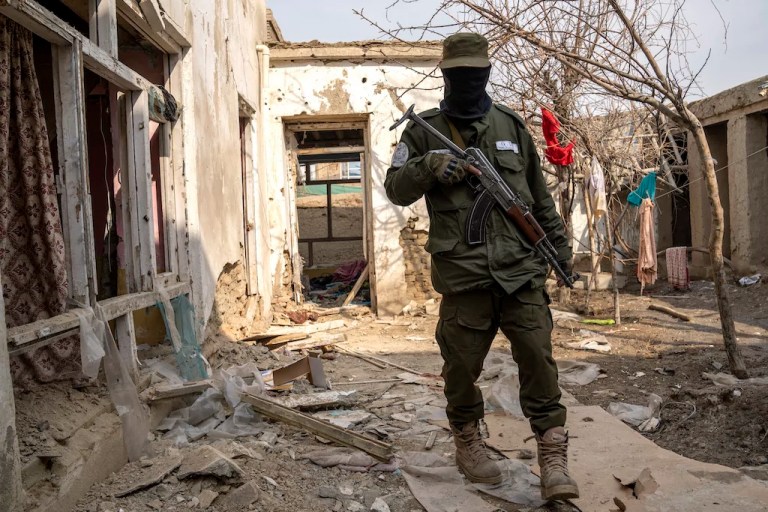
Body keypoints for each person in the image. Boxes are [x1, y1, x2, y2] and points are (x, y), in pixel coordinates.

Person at [384, 32, 579, 502]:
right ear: (445, 75)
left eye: (477, 73)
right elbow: (396, 188)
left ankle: (552, 454)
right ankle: (468, 440)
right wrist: (430, 166)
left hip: (520, 271)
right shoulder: (422, 130)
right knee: (460, 369)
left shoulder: (512, 127)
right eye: (459, 74)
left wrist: (560, 250)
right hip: (464, 275)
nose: (469, 82)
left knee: (538, 361)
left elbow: (539, 200)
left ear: (488, 73)